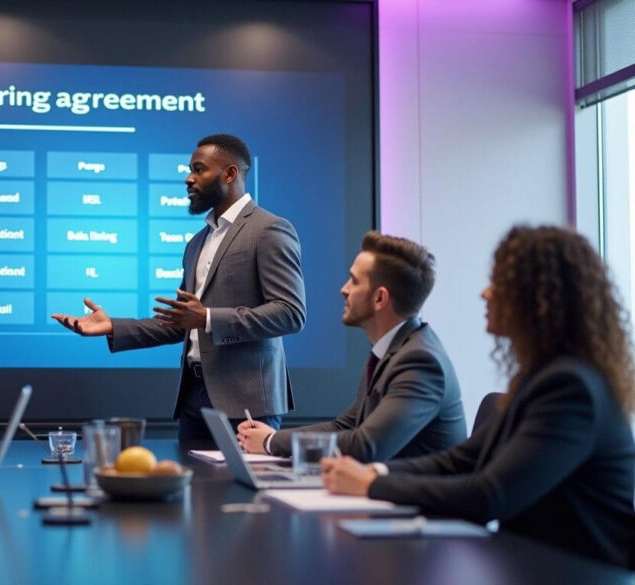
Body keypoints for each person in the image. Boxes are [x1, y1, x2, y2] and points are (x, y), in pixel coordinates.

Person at [322, 226, 635, 568]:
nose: (485, 293)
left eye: (499, 283)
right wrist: (375, 474)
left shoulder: (570, 388)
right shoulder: (543, 377)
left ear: (537, 301)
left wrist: (373, 486)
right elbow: (462, 460)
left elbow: (491, 495)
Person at [52, 134, 306, 440]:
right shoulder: (196, 242)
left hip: (247, 404)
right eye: (190, 169)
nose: (189, 179)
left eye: (199, 170)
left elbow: (290, 313)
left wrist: (209, 318)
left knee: (241, 489)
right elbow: (180, 324)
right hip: (193, 398)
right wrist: (112, 327)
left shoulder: (268, 229)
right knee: (193, 488)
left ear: (230, 174)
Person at [236, 232, 466, 461]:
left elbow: (365, 445)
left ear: (380, 298)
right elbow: (343, 426)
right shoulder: (392, 351)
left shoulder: (420, 362)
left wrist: (270, 442)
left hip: (409, 496)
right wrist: (271, 437)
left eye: (354, 281)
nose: (343, 289)